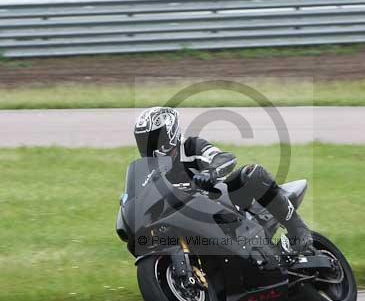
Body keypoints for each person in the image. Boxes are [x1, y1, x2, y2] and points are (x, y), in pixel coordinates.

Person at [133, 106, 314, 258]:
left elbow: (225, 157)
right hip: (189, 219)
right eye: (145, 142)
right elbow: (142, 195)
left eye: (155, 139)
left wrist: (210, 173)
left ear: (169, 134)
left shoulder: (190, 147)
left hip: (223, 202)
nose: (150, 147)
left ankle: (298, 230)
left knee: (251, 173)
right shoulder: (151, 172)